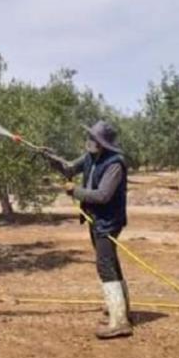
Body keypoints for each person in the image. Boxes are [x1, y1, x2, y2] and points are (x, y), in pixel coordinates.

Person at [41, 121, 132, 339]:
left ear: (102, 143)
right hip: (95, 219)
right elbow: (69, 168)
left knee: (105, 264)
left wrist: (76, 191)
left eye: (93, 138)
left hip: (108, 221)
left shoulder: (114, 164)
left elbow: (102, 195)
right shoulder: (91, 156)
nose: (89, 141)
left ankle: (119, 322)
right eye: (90, 137)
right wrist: (50, 157)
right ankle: (119, 309)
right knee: (109, 262)